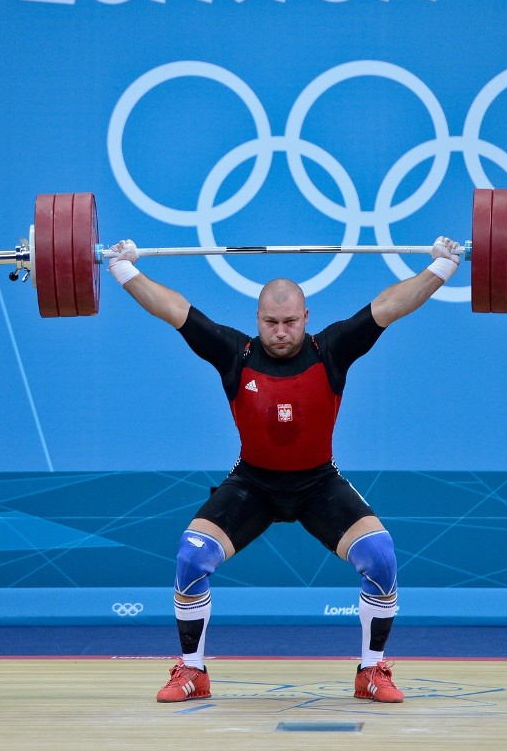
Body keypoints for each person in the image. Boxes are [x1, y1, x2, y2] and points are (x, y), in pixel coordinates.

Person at [107, 236, 460, 703]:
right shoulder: (235, 353)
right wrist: (123, 270)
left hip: (318, 485)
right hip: (253, 484)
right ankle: (193, 671)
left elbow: (389, 306)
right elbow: (174, 310)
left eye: (290, 321)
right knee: (191, 559)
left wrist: (443, 268)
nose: (280, 331)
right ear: (258, 320)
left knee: (380, 558)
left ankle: (371, 671)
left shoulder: (331, 349)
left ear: (305, 318)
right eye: (271, 322)